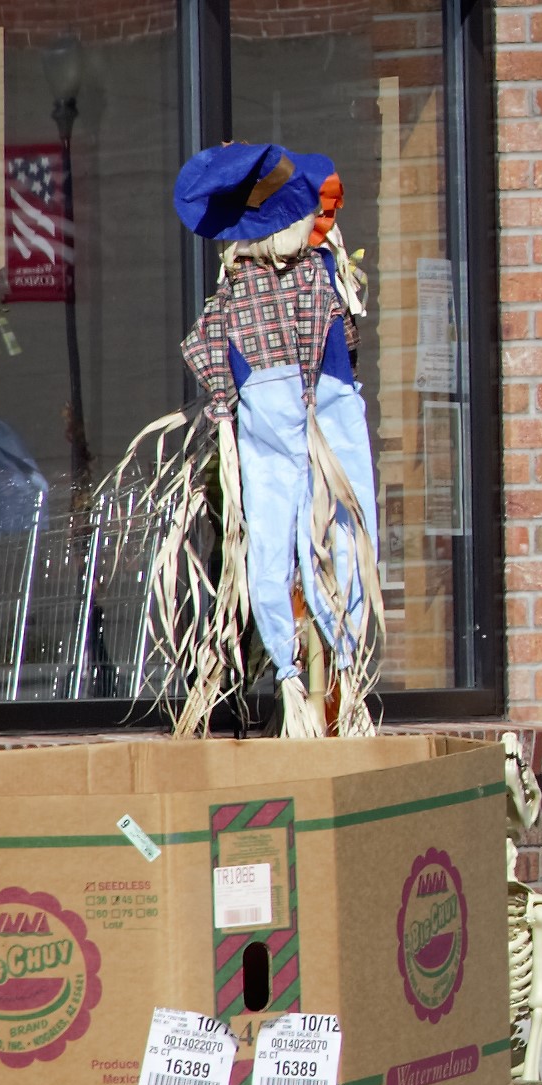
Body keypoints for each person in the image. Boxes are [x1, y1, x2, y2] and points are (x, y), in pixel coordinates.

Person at [174, 140, 374, 726]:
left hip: (295, 408)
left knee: (298, 530)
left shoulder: (268, 283)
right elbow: (334, 351)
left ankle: (318, 661)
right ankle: (314, 664)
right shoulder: (295, 280)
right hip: (296, 409)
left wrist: (228, 397)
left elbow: (210, 349)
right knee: (305, 529)